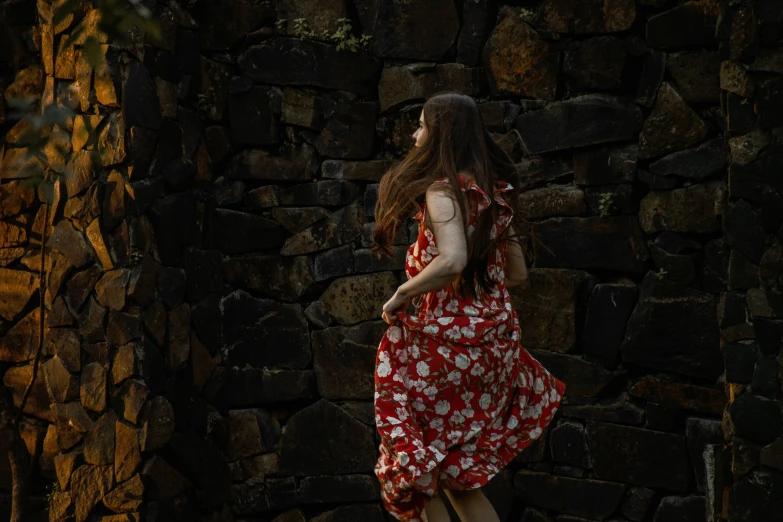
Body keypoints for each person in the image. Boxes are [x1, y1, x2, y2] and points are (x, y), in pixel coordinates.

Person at [371, 93, 567, 522]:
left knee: (419, 472)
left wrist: (404, 293)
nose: (415, 134)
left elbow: (453, 258)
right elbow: (516, 274)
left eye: (421, 125)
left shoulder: (443, 191)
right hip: (491, 350)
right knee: (459, 480)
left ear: (440, 134)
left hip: (445, 352)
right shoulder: (492, 197)